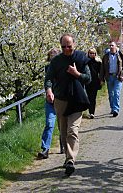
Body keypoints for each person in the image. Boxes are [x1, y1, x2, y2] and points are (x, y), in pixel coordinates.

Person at [44, 33, 91, 176]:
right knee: (63, 132)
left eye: (69, 46)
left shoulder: (81, 58)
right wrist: (49, 90)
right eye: (63, 47)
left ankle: (71, 160)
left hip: (77, 99)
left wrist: (76, 73)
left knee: (72, 130)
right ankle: (67, 157)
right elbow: (49, 78)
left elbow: (88, 79)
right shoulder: (56, 61)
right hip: (61, 100)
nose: (66, 49)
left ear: (74, 45)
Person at [37, 47, 61, 160]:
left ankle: (64, 145)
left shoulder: (64, 68)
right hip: (50, 100)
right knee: (49, 123)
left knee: (63, 125)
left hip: (62, 99)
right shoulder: (47, 68)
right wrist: (49, 91)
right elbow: (47, 81)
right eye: (51, 58)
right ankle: (45, 148)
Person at [100, 41, 123, 117]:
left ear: (116, 47)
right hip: (109, 77)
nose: (111, 47)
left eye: (112, 45)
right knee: (111, 94)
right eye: (110, 46)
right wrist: (101, 79)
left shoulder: (120, 55)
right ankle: (112, 108)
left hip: (118, 77)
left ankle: (116, 109)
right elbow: (102, 68)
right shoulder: (105, 56)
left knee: (116, 92)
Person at [86, 47, 102, 119]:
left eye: (93, 53)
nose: (92, 55)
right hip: (87, 82)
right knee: (87, 97)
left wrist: (101, 80)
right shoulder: (86, 61)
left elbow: (100, 72)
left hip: (95, 82)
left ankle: (91, 112)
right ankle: (88, 109)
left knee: (93, 98)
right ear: (88, 54)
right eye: (90, 53)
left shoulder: (98, 62)